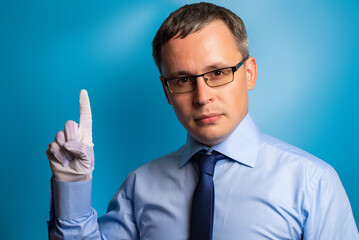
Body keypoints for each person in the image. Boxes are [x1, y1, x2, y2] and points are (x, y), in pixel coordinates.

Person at [46, 2, 358, 240]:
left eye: (218, 73)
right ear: (167, 91)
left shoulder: (312, 183)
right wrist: (72, 188)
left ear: (248, 73)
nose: (202, 96)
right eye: (182, 80)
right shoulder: (140, 187)